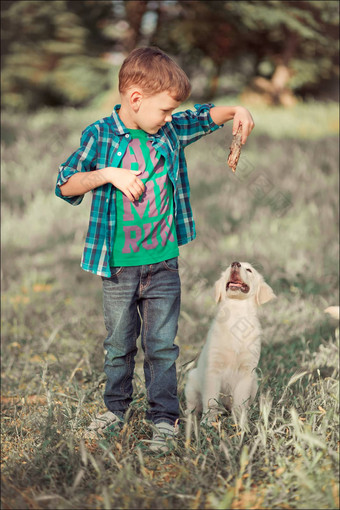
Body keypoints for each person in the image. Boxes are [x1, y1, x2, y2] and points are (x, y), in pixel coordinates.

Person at [55, 46, 254, 452]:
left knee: (162, 346)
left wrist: (237, 110)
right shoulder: (100, 135)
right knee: (119, 344)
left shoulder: (167, 130)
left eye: (171, 113)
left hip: (163, 265)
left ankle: (164, 418)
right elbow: (65, 183)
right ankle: (115, 409)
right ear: (135, 100)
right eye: (164, 110)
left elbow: (201, 117)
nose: (168, 118)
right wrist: (107, 174)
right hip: (117, 268)